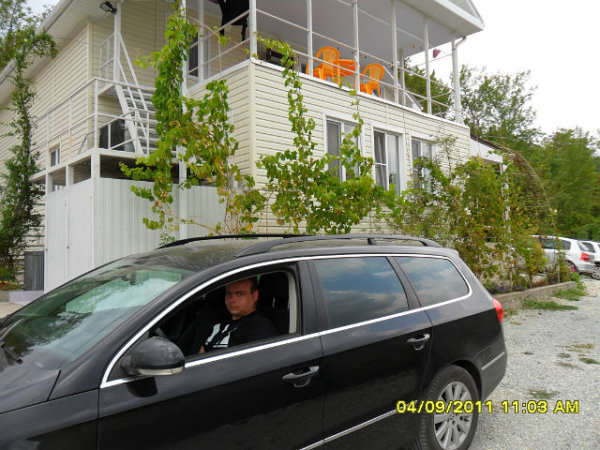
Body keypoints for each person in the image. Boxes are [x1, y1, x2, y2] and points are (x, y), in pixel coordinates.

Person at [200, 277, 278, 353]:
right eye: (229, 293)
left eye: (240, 294)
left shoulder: (260, 327)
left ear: (255, 296)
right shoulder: (216, 319)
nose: (232, 300)